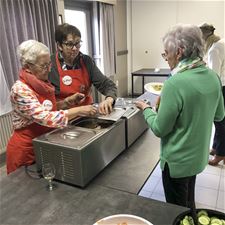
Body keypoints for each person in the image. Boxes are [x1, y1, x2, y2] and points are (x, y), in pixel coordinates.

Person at [135, 24, 225, 208]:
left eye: (166, 52)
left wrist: (146, 109)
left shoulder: (175, 83)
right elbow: (219, 114)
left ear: (179, 52)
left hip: (177, 162)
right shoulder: (213, 77)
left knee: (176, 210)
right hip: (197, 158)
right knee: (188, 200)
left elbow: (160, 128)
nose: (166, 57)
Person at [6, 40, 97, 174]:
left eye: (49, 64)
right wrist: (79, 110)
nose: (49, 69)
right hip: (26, 149)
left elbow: (45, 108)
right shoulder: (20, 90)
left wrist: (66, 102)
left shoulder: (42, 82)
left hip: (45, 141)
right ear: (27, 66)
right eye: (44, 66)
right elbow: (43, 117)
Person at [49, 23, 117, 115]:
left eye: (77, 43)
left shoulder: (86, 61)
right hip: (63, 118)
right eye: (69, 44)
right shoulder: (49, 65)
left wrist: (109, 99)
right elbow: (46, 104)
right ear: (59, 45)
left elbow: (106, 84)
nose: (74, 48)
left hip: (87, 115)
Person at [199, 23, 225, 166]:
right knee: (220, 121)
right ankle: (216, 148)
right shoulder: (221, 43)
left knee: (221, 121)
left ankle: (221, 154)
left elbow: (214, 76)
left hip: (222, 87)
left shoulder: (214, 50)